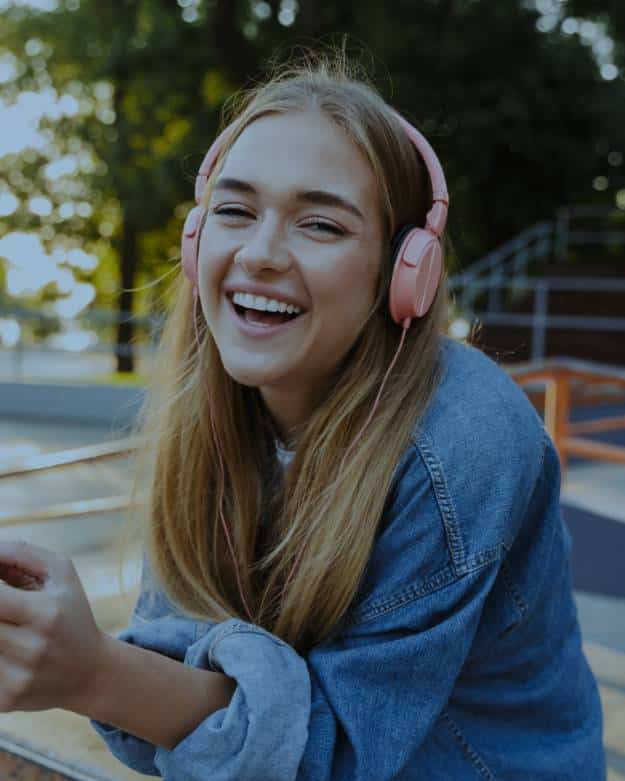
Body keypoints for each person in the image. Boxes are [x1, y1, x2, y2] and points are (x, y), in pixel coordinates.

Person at [0, 50, 604, 780]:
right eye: (234, 210)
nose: (258, 252)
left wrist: (94, 672)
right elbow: (182, 692)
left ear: (402, 272)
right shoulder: (213, 410)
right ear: (196, 242)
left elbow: (336, 758)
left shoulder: (464, 441)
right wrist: (51, 641)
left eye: (319, 224)